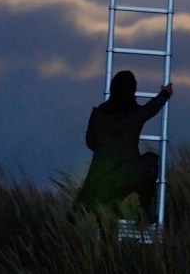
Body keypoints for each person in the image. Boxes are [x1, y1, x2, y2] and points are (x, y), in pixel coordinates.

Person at [73, 70, 173, 223]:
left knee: (100, 219)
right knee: (151, 161)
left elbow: (90, 143)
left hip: (100, 178)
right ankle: (145, 209)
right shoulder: (135, 114)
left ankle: (107, 233)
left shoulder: (98, 114)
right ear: (132, 90)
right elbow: (152, 108)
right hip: (128, 175)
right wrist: (165, 93)